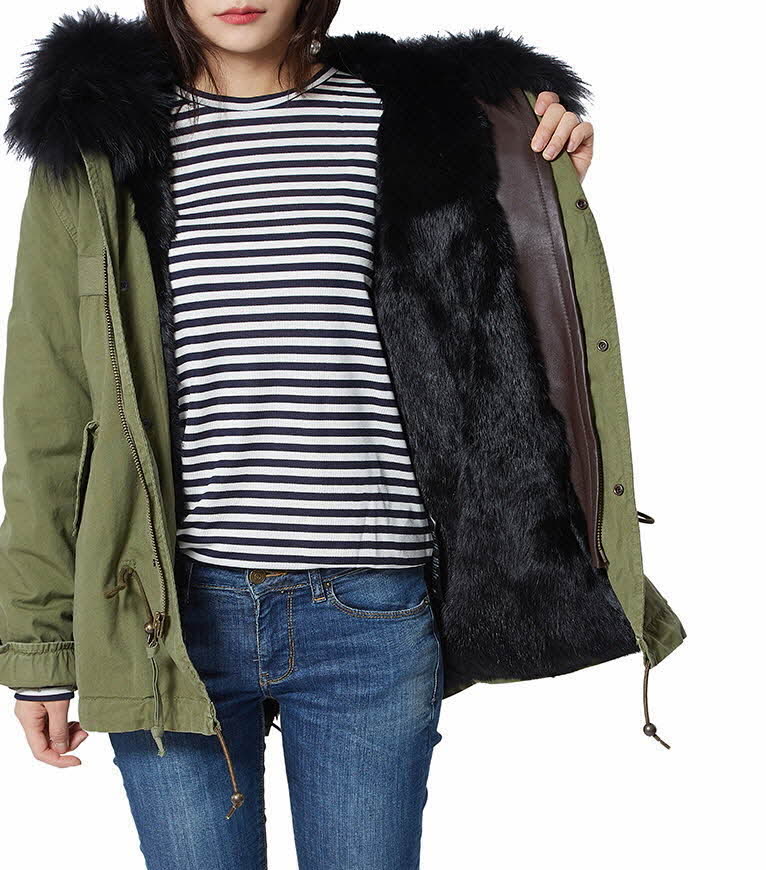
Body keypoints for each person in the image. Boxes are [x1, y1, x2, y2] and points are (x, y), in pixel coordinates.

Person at [0, 1, 685, 867]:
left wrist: (531, 151)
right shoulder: (100, 142)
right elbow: (48, 409)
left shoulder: (421, 117)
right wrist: (41, 646)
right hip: (166, 615)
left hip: (371, 608)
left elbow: (502, 325)